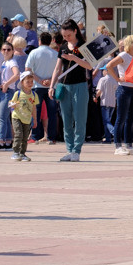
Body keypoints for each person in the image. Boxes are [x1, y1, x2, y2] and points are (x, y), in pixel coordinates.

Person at [50, 19, 92, 161]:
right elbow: (57, 68)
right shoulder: (62, 47)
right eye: (64, 36)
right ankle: (69, 149)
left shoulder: (83, 46)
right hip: (64, 86)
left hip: (80, 85)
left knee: (80, 119)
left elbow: (89, 66)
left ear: (75, 31)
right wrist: (52, 85)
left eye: (69, 35)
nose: (66, 38)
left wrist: (74, 58)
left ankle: (76, 150)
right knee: (66, 119)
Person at [105, 35, 133, 155]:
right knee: (120, 118)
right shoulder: (124, 55)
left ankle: (129, 145)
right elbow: (109, 66)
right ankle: (117, 146)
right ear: (131, 44)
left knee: (130, 119)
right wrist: (117, 79)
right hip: (124, 89)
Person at [26, 32, 59, 143]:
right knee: (52, 113)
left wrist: (39, 80)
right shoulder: (55, 54)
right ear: (50, 41)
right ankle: (52, 137)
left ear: (39, 40)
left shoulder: (33, 53)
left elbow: (28, 70)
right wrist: (50, 81)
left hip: (36, 86)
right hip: (52, 86)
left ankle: (35, 136)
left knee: (35, 111)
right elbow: (60, 71)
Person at [0, 41, 20, 150]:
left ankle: (1, 141)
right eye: (4, 49)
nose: (6, 51)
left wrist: (7, 84)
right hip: (2, 91)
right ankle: (8, 141)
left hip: (9, 91)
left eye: (9, 49)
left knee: (1, 117)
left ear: (13, 51)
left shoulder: (12, 62)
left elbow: (17, 74)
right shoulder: (4, 62)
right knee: (5, 117)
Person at [8, 70, 39, 161]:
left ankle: (22, 153)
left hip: (27, 119)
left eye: (31, 81)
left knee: (25, 137)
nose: (30, 84)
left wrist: (35, 119)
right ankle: (15, 152)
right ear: (22, 82)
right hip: (17, 117)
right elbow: (11, 103)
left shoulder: (33, 95)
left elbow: (34, 107)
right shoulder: (17, 94)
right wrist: (13, 105)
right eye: (27, 82)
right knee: (18, 134)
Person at [95, 68, 117, 144]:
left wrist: (95, 97)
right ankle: (108, 139)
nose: (102, 72)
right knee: (108, 121)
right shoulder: (114, 80)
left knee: (106, 121)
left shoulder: (102, 79)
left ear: (106, 71)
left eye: (103, 71)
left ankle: (115, 133)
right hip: (113, 103)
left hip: (105, 103)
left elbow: (99, 91)